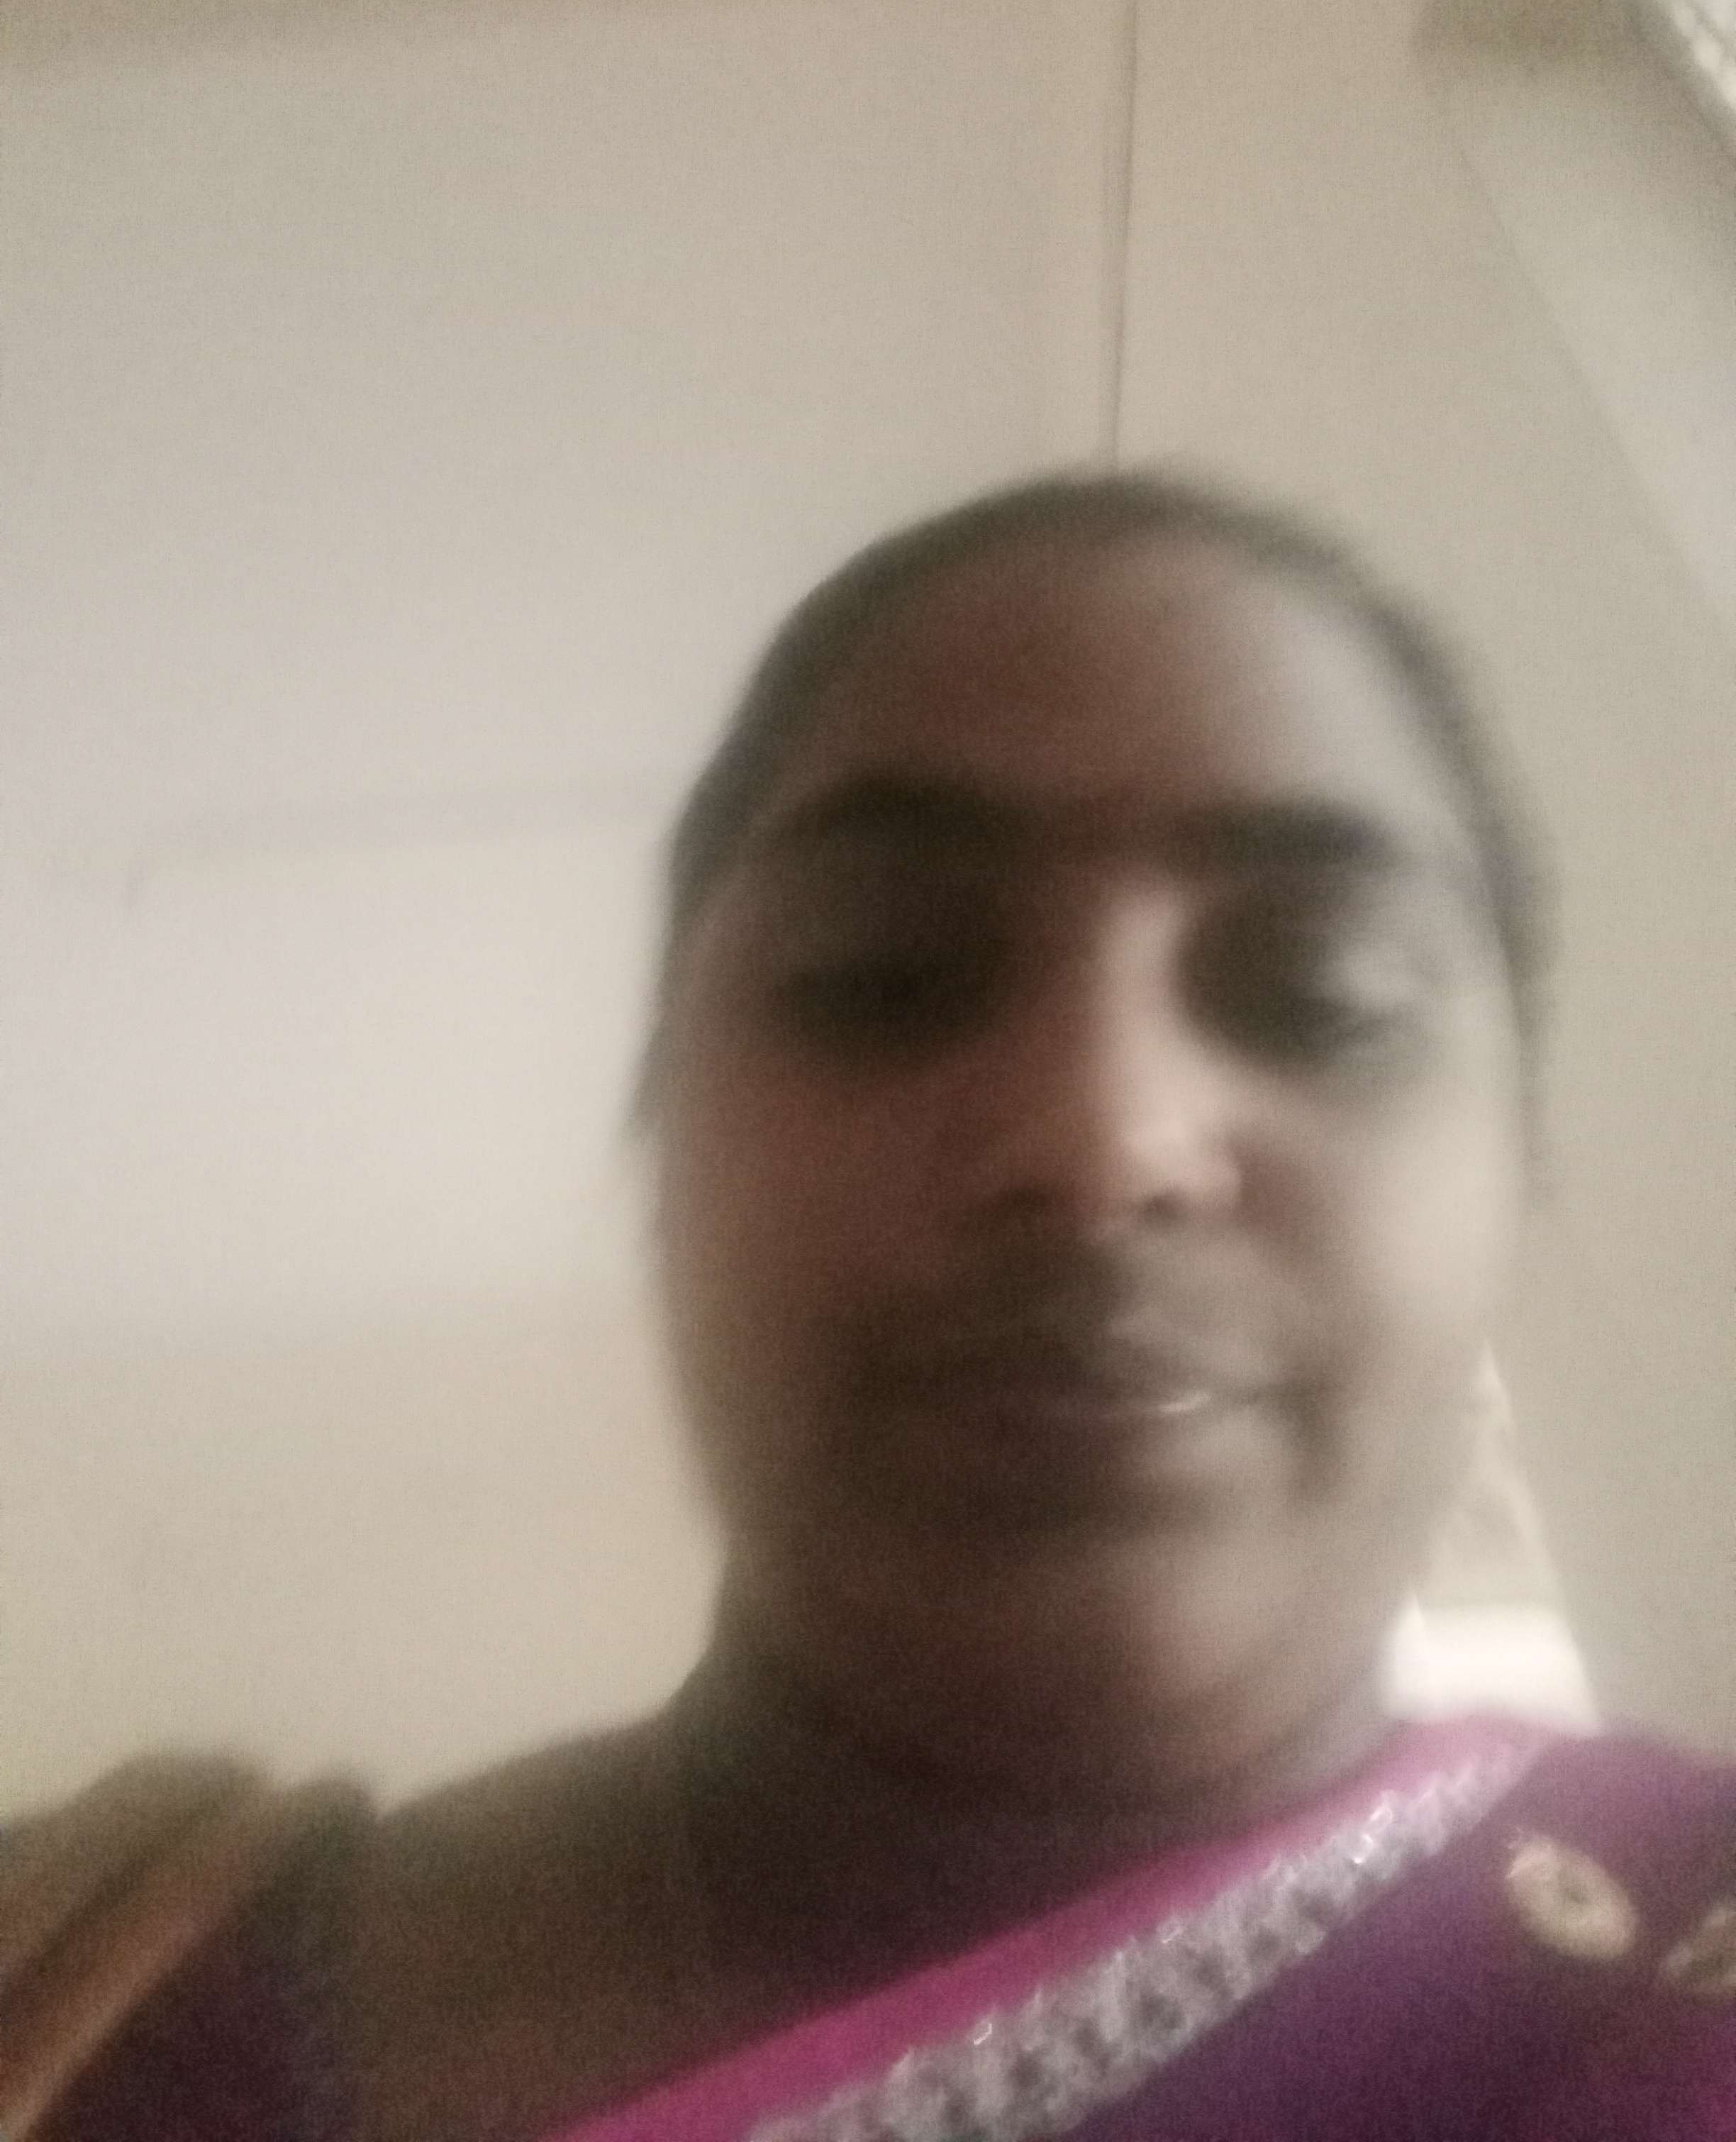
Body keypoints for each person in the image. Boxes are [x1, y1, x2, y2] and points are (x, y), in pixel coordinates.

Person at [4, 472, 1732, 2142]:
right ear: (661, 1135)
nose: (1100, 1134)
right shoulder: (79, 1982)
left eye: (1325, 994)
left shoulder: (1673, 1989)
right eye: (883, 976)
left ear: (1518, 1176)